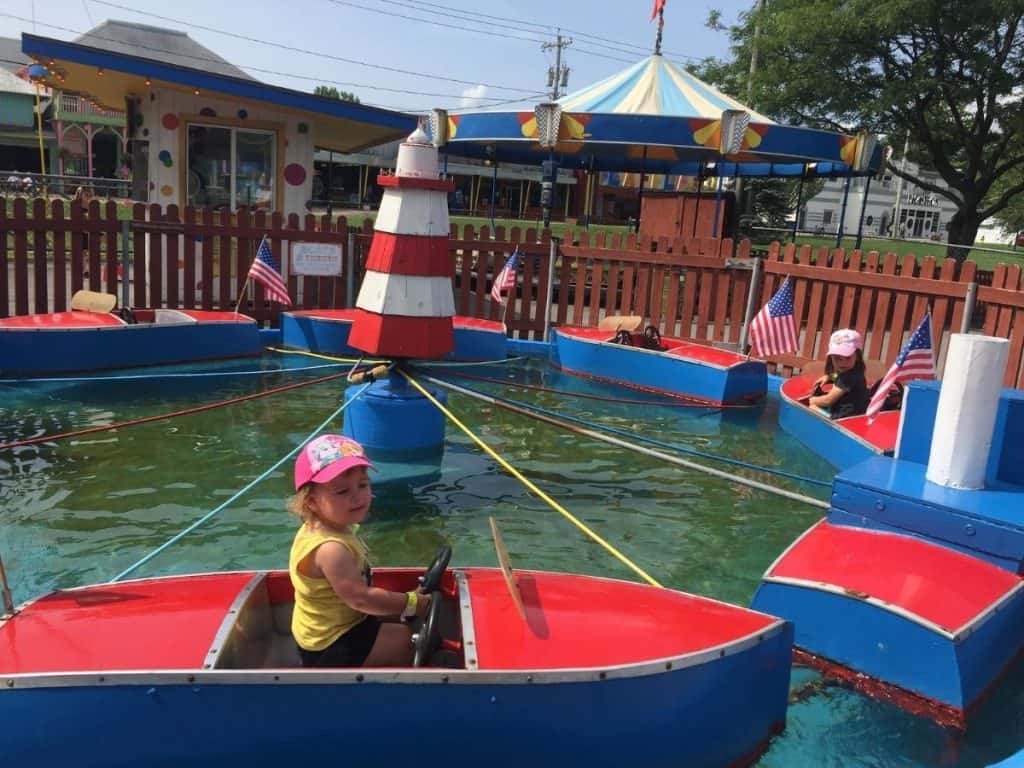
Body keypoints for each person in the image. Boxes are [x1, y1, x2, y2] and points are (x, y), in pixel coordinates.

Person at [288, 434, 429, 668]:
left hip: (331, 626)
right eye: (342, 491)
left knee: (395, 616)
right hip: (329, 645)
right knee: (403, 640)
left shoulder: (326, 526)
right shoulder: (331, 549)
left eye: (363, 485)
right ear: (311, 502)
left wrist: (406, 602)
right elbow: (361, 600)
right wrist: (413, 603)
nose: (357, 496)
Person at [808, 329, 869, 419]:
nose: (842, 363)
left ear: (857, 356)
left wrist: (812, 400)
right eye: (837, 358)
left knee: (812, 407)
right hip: (859, 413)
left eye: (848, 357)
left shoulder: (846, 378)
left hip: (843, 418)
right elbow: (838, 375)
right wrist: (829, 377)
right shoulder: (856, 370)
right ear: (831, 358)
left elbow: (828, 400)